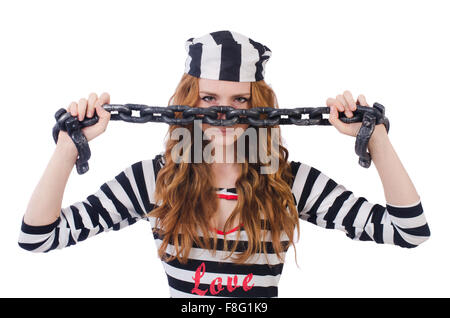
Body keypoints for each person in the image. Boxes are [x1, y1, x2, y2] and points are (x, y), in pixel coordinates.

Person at [18, 30, 430, 298]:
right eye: (209, 99)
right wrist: (68, 147)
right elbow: (38, 238)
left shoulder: (288, 183)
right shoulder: (155, 180)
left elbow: (409, 233)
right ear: (188, 102)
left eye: (239, 101)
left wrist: (374, 136)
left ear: (259, 107)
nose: (223, 115)